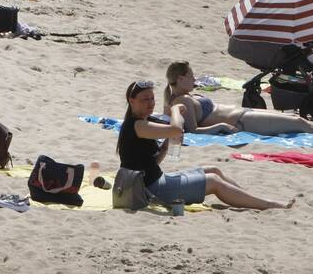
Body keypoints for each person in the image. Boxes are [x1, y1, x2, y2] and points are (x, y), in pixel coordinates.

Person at [117, 80, 295, 209]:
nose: (150, 103)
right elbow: (177, 129)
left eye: (151, 98)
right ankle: (268, 204)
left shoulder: (144, 122)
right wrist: (175, 110)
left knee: (214, 170)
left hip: (153, 181)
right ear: (131, 101)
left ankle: (250, 198)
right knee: (214, 182)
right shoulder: (138, 125)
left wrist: (165, 145)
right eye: (144, 99)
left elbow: (153, 162)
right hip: (150, 190)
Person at [163, 62, 313, 137]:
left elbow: (168, 116)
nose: (194, 78)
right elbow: (191, 130)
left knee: (294, 119)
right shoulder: (183, 101)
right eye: (191, 76)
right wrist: (220, 127)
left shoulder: (183, 97)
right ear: (180, 79)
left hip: (243, 115)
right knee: (298, 123)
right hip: (242, 122)